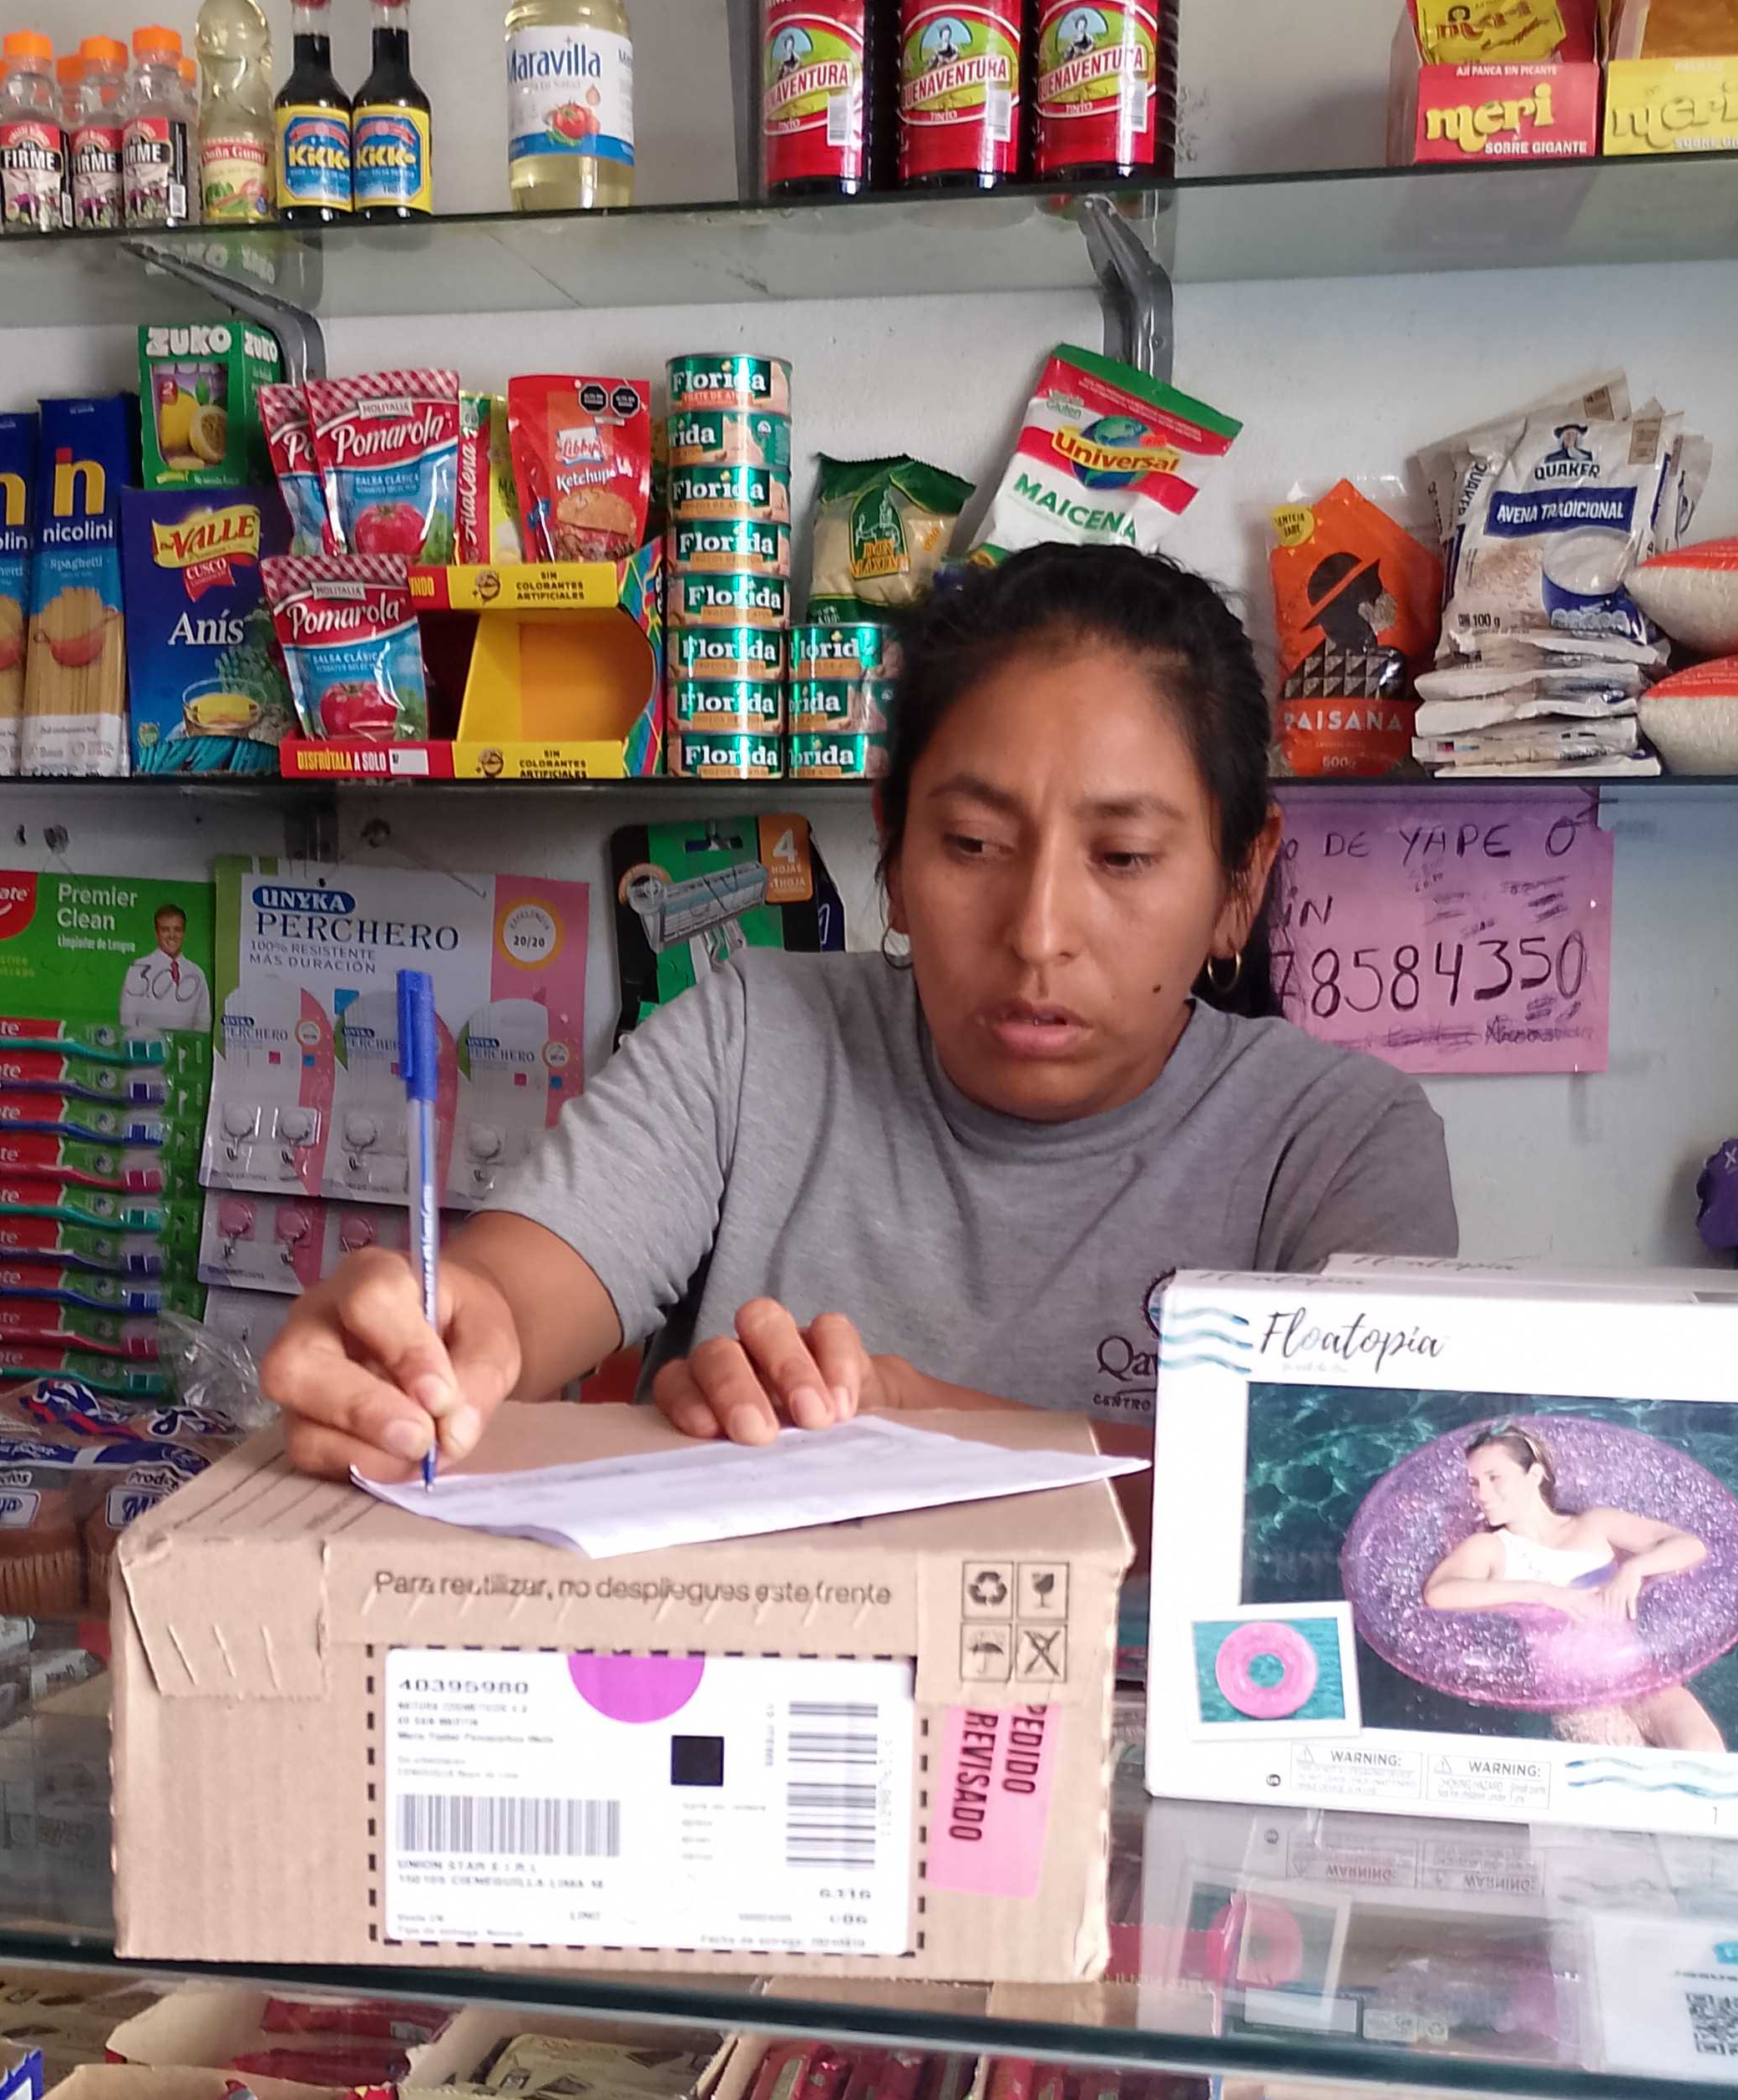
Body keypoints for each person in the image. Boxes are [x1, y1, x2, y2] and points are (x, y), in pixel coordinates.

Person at [262, 544, 1459, 1483]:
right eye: (972, 844)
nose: (1038, 931)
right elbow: (518, 1296)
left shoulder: (1337, 1141)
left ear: (1240, 880)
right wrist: (429, 1341)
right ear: (892, 847)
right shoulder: (752, 1037)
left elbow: (1358, 1495)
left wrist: (921, 1429)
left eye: (1125, 857)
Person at [1423, 1421, 1721, 1751]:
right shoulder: (1491, 1548)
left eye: (1494, 1478)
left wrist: (1634, 1569)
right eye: (1475, 1483)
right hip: (1578, 1697)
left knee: (1703, 1749)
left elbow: (1689, 1545)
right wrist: (1540, 1592)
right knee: (1629, 1768)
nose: (1482, 1494)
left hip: (1640, 1677)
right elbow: (1439, 1592)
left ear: (1534, 1475)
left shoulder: (1595, 1524)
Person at [120, 900, 211, 1034]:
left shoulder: (196, 973)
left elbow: (203, 1023)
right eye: (165, 930)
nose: (172, 936)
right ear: (157, 933)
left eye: (177, 930)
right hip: (147, 1044)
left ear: (184, 932)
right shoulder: (138, 969)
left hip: (184, 1046)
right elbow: (127, 1019)